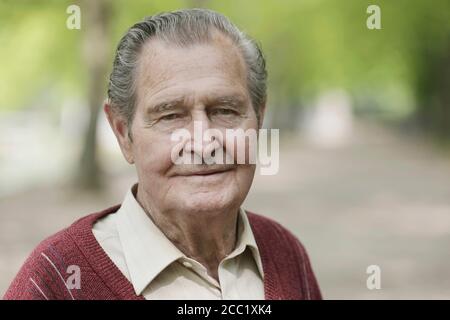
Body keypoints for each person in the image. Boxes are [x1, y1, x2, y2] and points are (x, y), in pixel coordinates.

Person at [4, 8, 321, 300]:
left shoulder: (285, 254)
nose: (202, 143)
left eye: (225, 110)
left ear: (259, 120)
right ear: (123, 134)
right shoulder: (58, 281)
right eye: (170, 116)